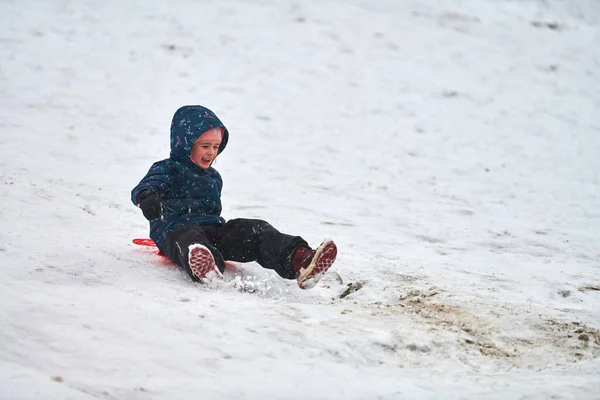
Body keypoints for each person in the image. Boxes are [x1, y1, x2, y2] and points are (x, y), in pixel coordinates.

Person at [131, 105, 337, 289]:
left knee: (256, 230)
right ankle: (205, 266)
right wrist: (148, 198)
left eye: (215, 147)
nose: (211, 153)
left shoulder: (213, 177)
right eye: (205, 146)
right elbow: (146, 186)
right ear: (185, 145)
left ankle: (300, 260)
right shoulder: (168, 169)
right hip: (173, 230)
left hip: (212, 230)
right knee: (189, 240)